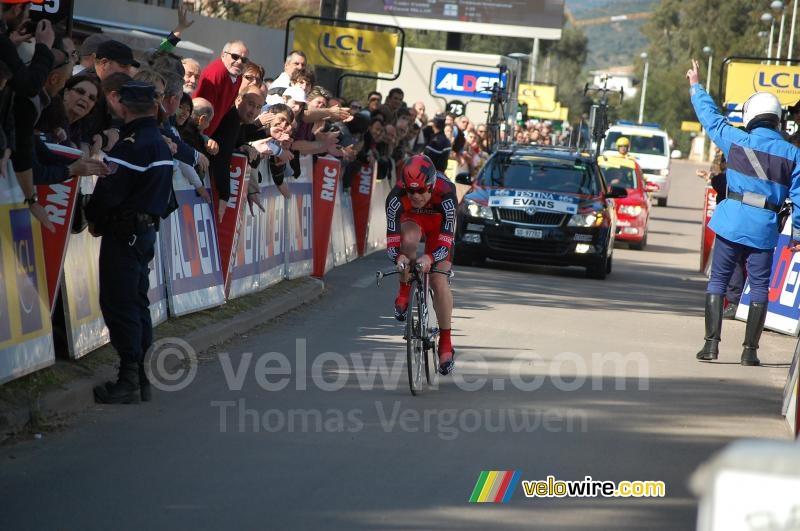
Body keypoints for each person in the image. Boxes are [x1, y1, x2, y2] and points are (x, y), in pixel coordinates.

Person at [687, 59, 800, 366]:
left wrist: (696, 86)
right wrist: (799, 233)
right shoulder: (793, 154)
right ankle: (750, 352)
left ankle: (711, 346)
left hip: (732, 221)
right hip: (764, 227)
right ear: (777, 119)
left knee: (718, 282)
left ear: (751, 115)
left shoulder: (736, 140)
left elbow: (711, 120)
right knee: (760, 287)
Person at [85, 80, 175, 403]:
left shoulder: (132, 144)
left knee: (120, 302)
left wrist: (92, 217)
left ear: (124, 106)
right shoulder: (159, 143)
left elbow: (110, 191)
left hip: (124, 233)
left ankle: (128, 378)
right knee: (137, 301)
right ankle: (140, 375)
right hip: (144, 231)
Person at [385, 154, 457, 375]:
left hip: (438, 226)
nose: (416, 196)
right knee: (408, 242)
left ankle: (446, 343)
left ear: (432, 184)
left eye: (421, 190)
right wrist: (399, 258)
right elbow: (391, 243)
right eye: (410, 191)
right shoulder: (396, 198)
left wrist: (430, 258)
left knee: (438, 279)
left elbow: (447, 241)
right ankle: (404, 292)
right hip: (412, 219)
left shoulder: (446, 193)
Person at [193, 39, 248, 136]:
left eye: (244, 60)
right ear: (223, 55)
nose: (239, 62)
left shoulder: (238, 76)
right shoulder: (216, 73)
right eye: (235, 57)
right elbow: (202, 112)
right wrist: (202, 138)